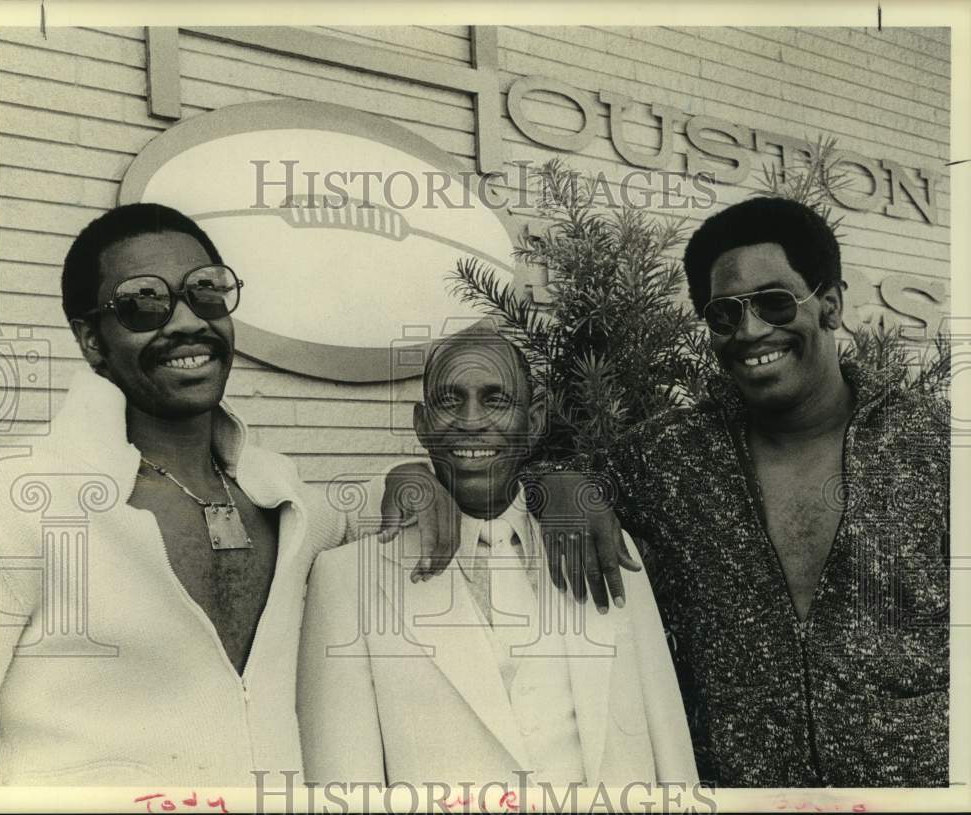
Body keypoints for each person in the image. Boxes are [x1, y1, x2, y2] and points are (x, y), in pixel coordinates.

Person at [388, 197, 950, 788]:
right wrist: (531, 484)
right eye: (725, 314)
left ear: (831, 304)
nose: (751, 329)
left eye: (775, 302)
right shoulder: (669, 456)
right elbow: (497, 483)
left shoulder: (938, 449)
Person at [0, 203, 354, 785]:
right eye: (143, 302)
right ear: (91, 339)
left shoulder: (288, 502)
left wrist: (413, 480)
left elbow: (385, 522)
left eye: (206, 292)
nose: (187, 322)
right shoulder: (16, 501)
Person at [299, 326, 699, 787]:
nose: (472, 420)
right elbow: (344, 787)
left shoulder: (600, 543)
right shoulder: (348, 580)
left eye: (496, 399)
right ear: (421, 423)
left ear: (534, 421)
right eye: (450, 401)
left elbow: (668, 747)